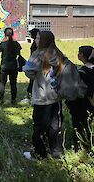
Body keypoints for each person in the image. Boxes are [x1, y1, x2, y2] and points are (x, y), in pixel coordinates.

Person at [23, 31, 64, 159]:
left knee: (39, 126)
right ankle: (56, 152)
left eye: (38, 38)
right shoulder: (58, 53)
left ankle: (39, 153)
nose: (35, 40)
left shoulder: (37, 54)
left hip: (41, 97)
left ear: (44, 40)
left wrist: (33, 75)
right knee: (55, 126)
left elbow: (29, 71)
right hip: (56, 96)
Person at [65, 45, 94, 150]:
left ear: (82, 55)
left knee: (79, 126)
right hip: (92, 103)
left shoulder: (82, 72)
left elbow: (75, 91)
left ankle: (80, 147)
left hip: (81, 104)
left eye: (79, 52)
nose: (78, 54)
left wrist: (68, 102)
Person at [0, 27, 22, 105]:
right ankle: (13, 100)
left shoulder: (3, 44)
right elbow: (18, 54)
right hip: (13, 66)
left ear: (5, 34)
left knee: (2, 83)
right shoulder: (16, 44)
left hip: (4, 66)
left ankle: (1, 99)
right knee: (13, 83)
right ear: (13, 34)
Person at [26, 28, 40, 97]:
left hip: (35, 63)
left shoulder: (35, 44)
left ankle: (30, 93)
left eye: (31, 33)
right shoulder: (35, 43)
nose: (30, 35)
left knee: (33, 79)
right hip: (35, 63)